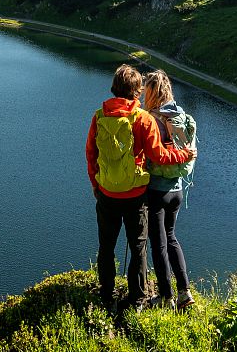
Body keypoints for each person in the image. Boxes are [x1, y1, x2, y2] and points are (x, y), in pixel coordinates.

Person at [86, 64, 194, 311]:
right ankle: (137, 299)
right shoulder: (143, 119)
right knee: (138, 248)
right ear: (137, 91)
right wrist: (185, 155)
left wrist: (96, 185)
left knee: (106, 247)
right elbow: (159, 155)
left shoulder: (99, 116)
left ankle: (106, 296)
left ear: (115, 87)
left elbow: (91, 154)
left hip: (106, 194)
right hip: (136, 195)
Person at [141, 70, 198, 309]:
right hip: (177, 189)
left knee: (158, 244)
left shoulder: (150, 119)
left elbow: (148, 154)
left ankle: (166, 297)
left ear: (151, 93)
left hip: (156, 190)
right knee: (172, 237)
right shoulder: (181, 116)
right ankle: (185, 292)